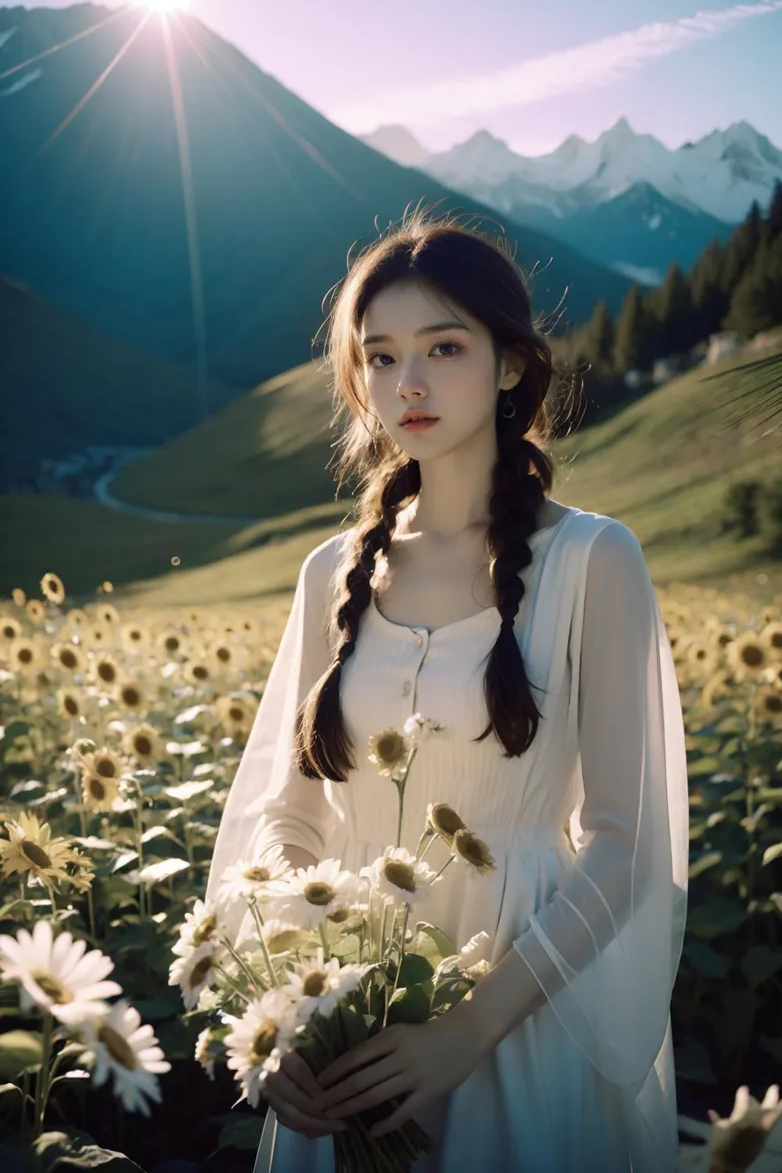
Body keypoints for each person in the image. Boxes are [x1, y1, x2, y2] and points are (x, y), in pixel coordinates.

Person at [205, 206, 690, 1172]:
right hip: (347, 1020)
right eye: (379, 357)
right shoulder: (330, 572)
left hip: (522, 1009)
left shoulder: (593, 559)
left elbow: (625, 847)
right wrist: (291, 1009)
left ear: (511, 364)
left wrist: (466, 1032)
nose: (408, 382)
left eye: (443, 346)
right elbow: (288, 822)